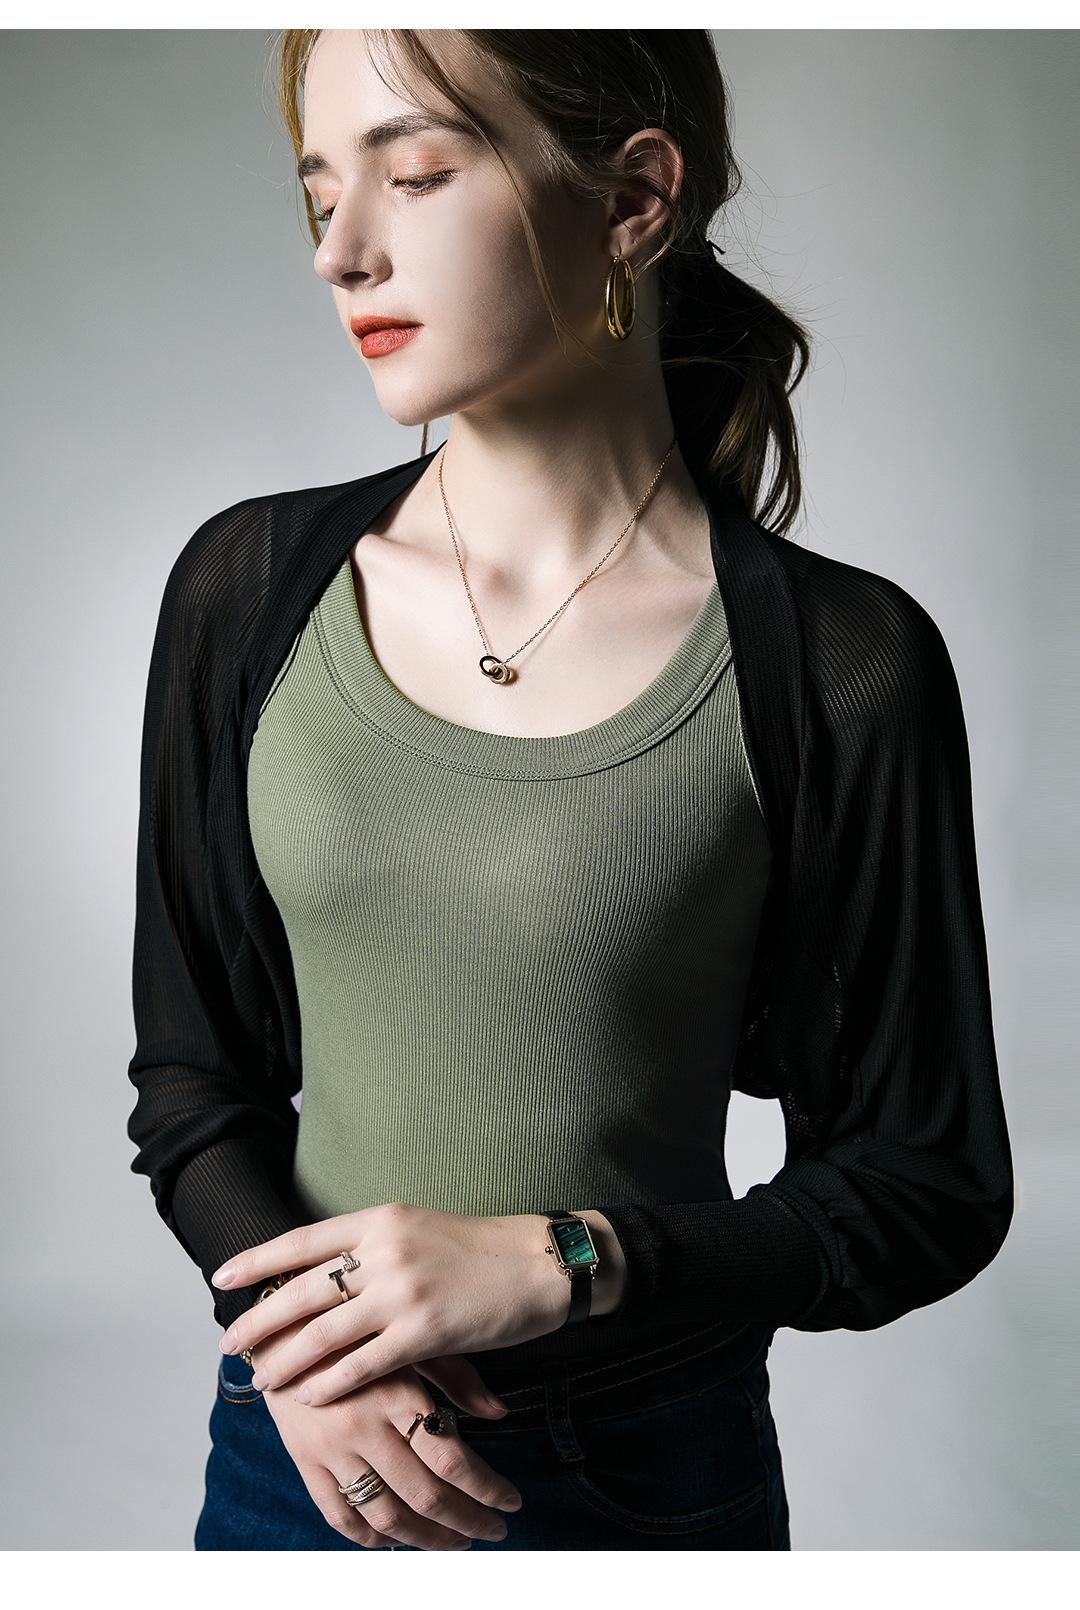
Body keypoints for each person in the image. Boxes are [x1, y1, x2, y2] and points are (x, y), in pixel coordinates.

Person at [126, 29, 1013, 1552]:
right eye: (320, 195)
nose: (341, 251)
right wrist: (309, 1349)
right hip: (305, 1455)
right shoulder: (247, 588)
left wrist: (572, 1259)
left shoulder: (841, 663)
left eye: (415, 174)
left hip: (653, 1476)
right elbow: (194, 1084)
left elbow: (925, 1183)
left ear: (631, 200)